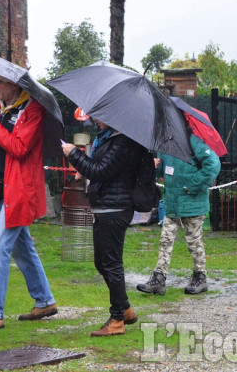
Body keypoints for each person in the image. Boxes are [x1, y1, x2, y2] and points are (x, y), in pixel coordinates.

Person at [0, 73, 57, 333]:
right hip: (2, 188)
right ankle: (45, 301)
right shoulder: (2, 108)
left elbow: (18, 147)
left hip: (19, 192)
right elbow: (0, 140)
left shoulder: (33, 112)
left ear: (14, 84)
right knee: (22, 249)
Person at [62, 119, 143, 337]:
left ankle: (117, 319)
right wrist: (84, 169)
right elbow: (104, 172)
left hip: (114, 208)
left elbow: (100, 170)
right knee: (102, 262)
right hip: (104, 206)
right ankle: (125, 309)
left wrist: (74, 155)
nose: (94, 119)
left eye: (99, 115)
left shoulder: (122, 141)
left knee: (112, 263)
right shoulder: (108, 139)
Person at [137, 132, 221, 295]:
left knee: (194, 242)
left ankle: (200, 277)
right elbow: (165, 172)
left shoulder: (194, 142)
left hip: (192, 203)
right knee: (165, 240)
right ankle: (159, 278)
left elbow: (213, 164)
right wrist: (155, 165)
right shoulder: (165, 144)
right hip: (172, 202)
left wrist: (194, 185)